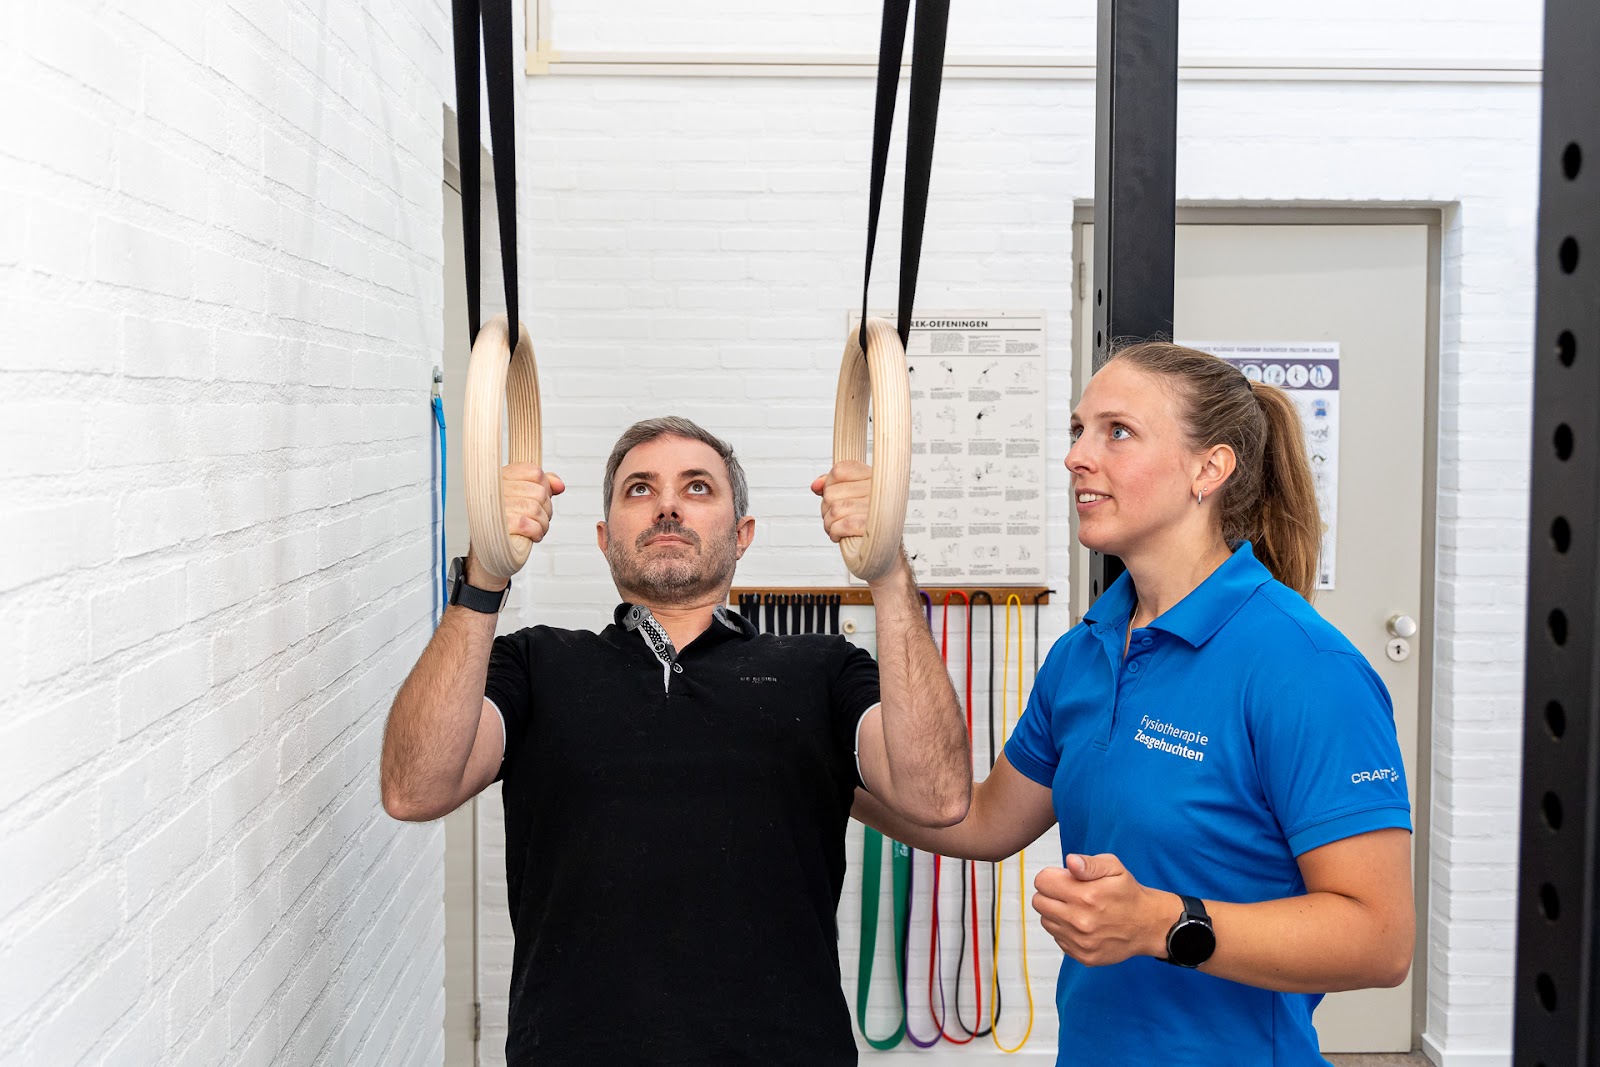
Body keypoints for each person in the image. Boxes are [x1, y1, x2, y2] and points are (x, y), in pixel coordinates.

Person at [852, 343, 1414, 1065]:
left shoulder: (1304, 668)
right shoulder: (1085, 652)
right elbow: (985, 820)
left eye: (1117, 431)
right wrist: (816, 771)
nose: (1078, 456)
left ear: (1208, 469)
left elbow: (1379, 939)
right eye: (1078, 430)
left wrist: (1162, 923)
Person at [380, 415, 971, 1065]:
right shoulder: (535, 664)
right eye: (639, 489)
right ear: (605, 539)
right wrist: (484, 576)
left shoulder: (824, 669)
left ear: (742, 534)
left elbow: (938, 794)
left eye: (696, 488)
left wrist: (887, 570)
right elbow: (414, 787)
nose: (666, 504)